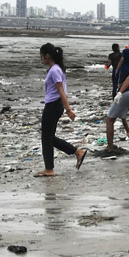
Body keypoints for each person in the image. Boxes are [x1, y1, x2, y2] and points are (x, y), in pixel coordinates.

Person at [34, 43, 86, 177]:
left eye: (41, 56)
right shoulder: (56, 68)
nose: (41, 59)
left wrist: (68, 109)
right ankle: (77, 152)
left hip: (53, 105)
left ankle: (49, 169)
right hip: (54, 104)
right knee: (49, 137)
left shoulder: (55, 70)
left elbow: (61, 91)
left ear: (47, 56)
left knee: (46, 137)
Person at [104, 89, 129, 156]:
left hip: (123, 94)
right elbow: (123, 116)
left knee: (110, 120)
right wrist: (128, 132)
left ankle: (110, 151)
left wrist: (116, 96)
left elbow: (116, 86)